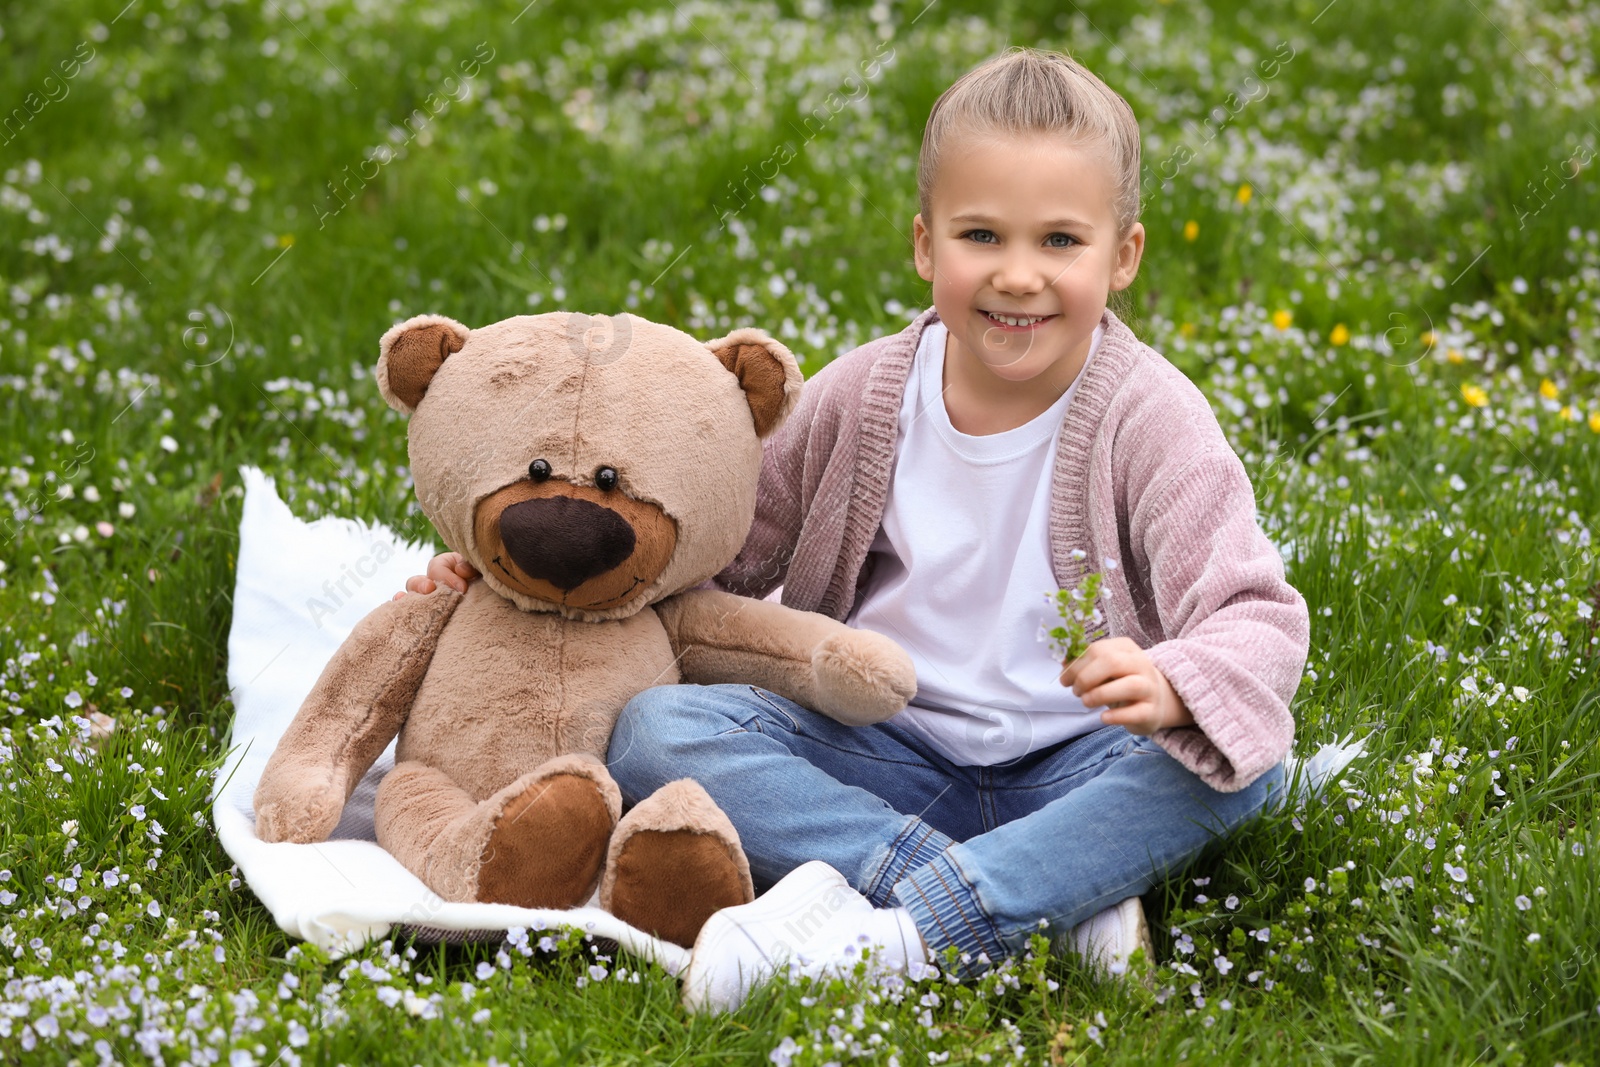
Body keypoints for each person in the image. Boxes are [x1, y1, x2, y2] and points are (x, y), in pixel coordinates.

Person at [398, 47, 1308, 1012]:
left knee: (1241, 763)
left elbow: (1253, 609)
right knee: (657, 730)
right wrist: (513, 577)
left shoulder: (1152, 418)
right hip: (887, 758)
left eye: (1061, 242)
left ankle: (905, 934)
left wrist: (1175, 681)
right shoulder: (867, 394)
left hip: (1079, 760)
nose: (1018, 275)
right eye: (981, 234)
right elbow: (722, 556)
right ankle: (1038, 888)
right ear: (926, 246)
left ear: (1122, 256)